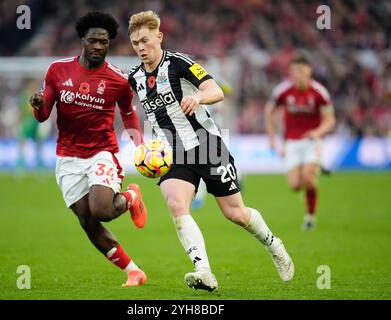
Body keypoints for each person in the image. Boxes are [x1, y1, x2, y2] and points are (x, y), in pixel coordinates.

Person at [127, 10, 294, 292]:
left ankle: (274, 244)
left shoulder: (179, 63)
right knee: (176, 205)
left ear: (159, 36)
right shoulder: (134, 78)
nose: (141, 48)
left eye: (145, 40)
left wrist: (198, 96)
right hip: (173, 153)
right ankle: (203, 271)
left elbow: (216, 90)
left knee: (236, 213)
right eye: (135, 43)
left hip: (207, 146)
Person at [29, 12, 148, 286]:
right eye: (93, 40)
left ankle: (131, 196)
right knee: (87, 220)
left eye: (103, 42)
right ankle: (134, 271)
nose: (98, 46)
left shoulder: (119, 80)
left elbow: (128, 113)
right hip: (68, 157)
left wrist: (139, 145)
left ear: (109, 44)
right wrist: (38, 105)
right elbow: (44, 114)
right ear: (82, 40)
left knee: (102, 210)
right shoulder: (57, 71)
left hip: (101, 152)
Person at [265, 52, 336, 230]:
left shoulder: (319, 92)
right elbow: (269, 111)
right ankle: (315, 171)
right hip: (291, 142)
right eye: (295, 71)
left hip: (313, 141)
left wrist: (317, 132)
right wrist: (272, 138)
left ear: (309, 71)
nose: (299, 75)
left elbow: (330, 119)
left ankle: (310, 218)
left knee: (308, 179)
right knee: (295, 185)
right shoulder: (283, 91)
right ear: (291, 72)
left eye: (302, 71)